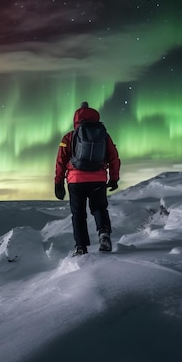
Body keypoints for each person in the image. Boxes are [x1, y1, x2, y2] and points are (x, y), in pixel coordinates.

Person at [54, 101, 121, 256]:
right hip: (98, 179)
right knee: (99, 208)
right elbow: (114, 157)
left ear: (76, 119)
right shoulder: (104, 135)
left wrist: (58, 183)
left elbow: (60, 161)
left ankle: (81, 247)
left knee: (78, 214)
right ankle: (103, 233)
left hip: (76, 181)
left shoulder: (69, 137)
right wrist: (114, 178)